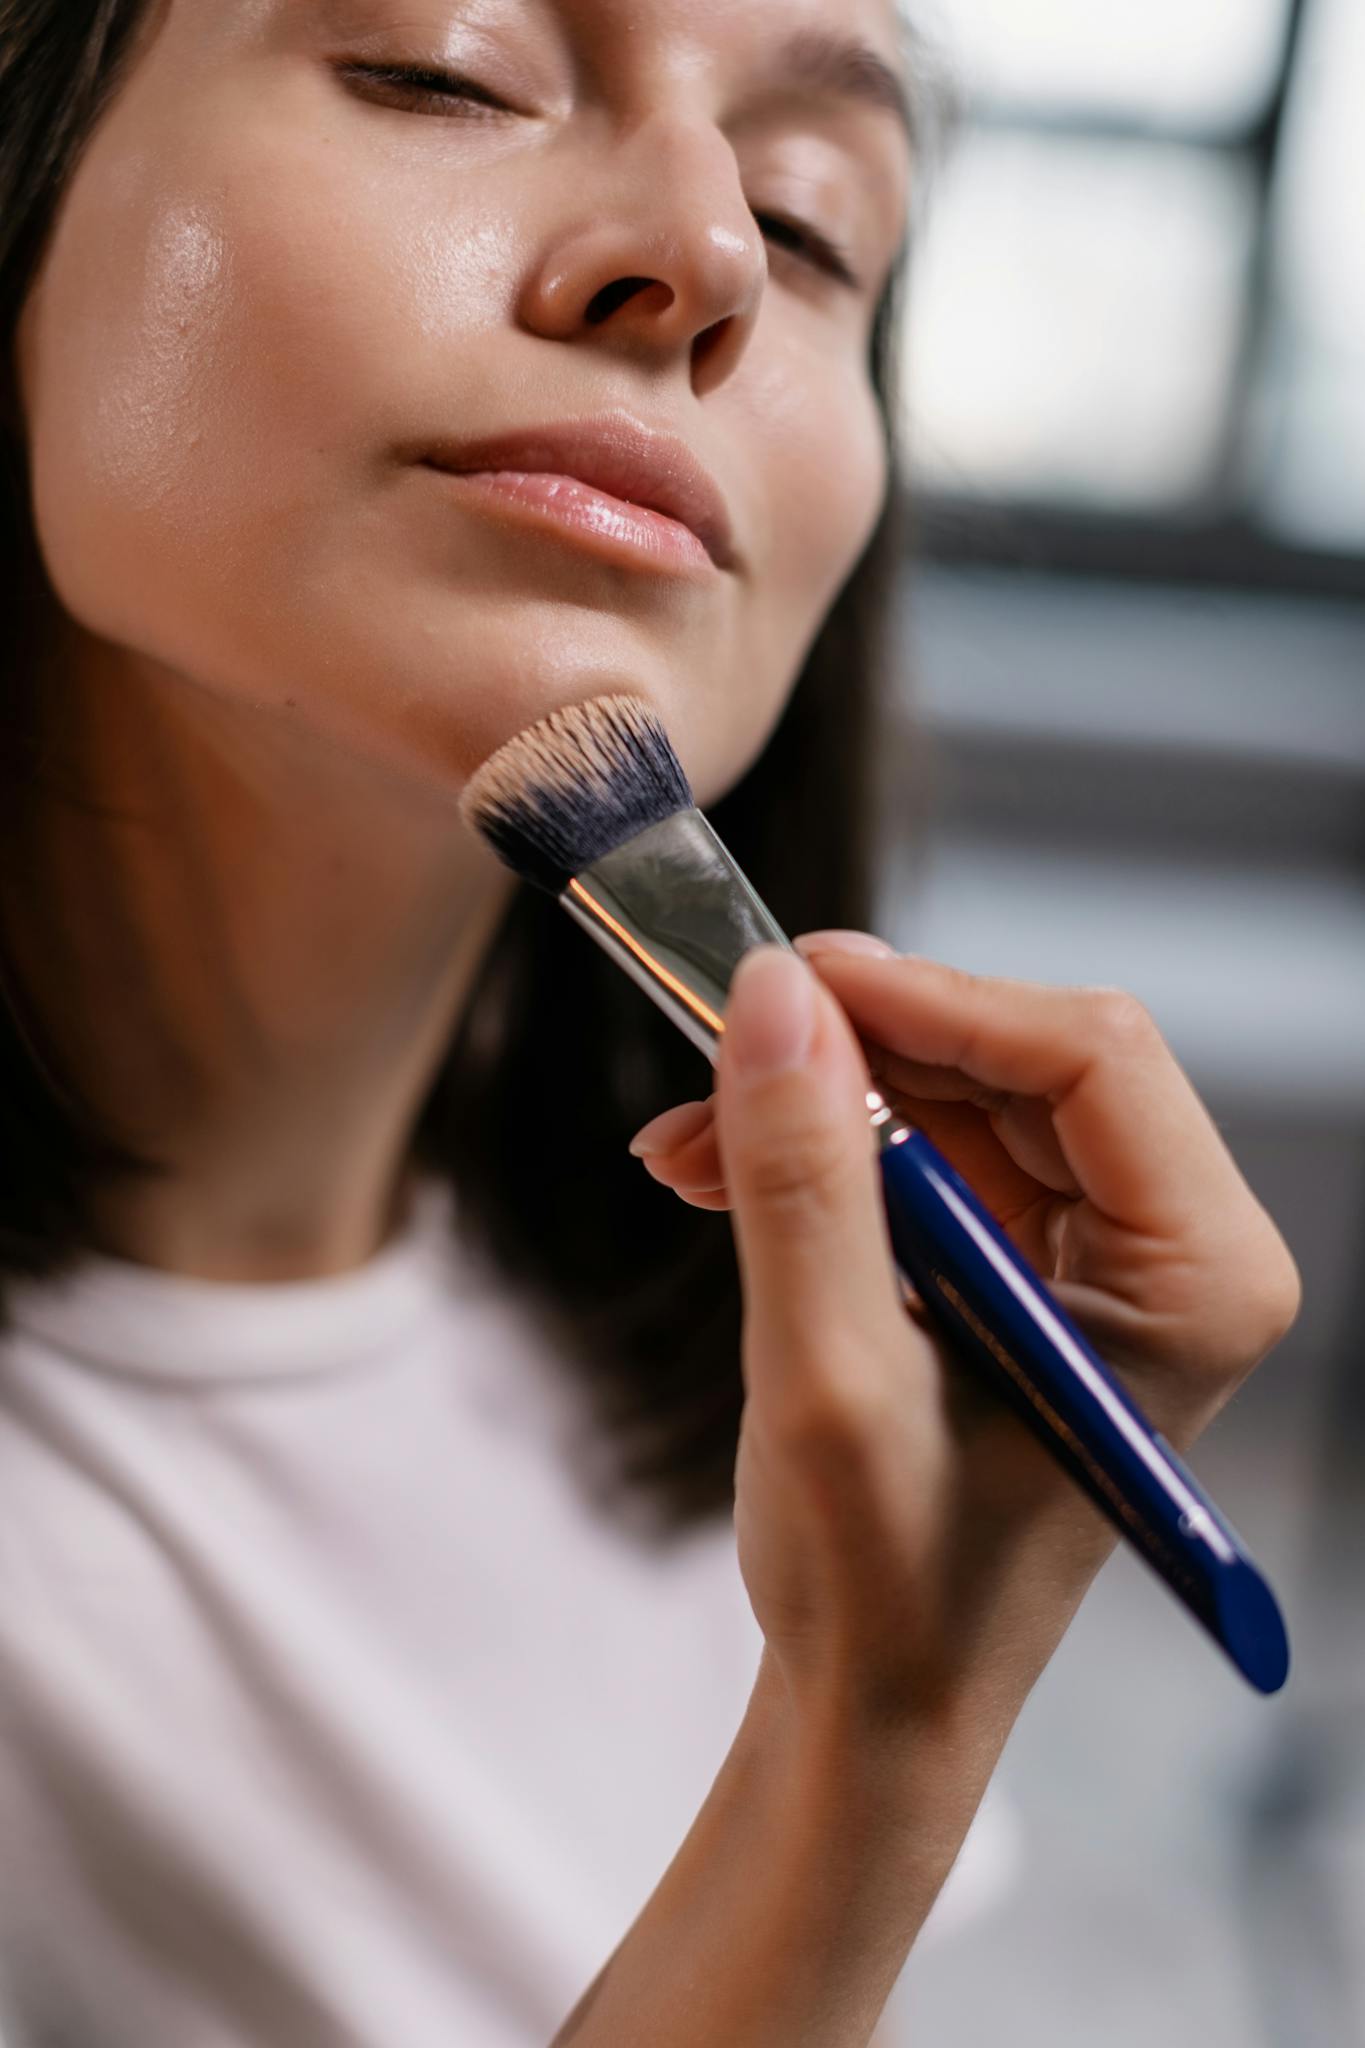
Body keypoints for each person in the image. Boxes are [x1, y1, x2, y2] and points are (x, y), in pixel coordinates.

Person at [0, 0, 1302, 2042]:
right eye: (445, 65)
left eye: (810, 226)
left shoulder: (774, 1405)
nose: (700, 258)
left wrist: (883, 1692)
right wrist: (847, 1788)